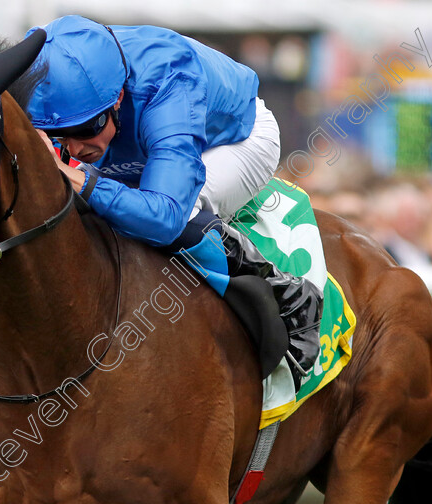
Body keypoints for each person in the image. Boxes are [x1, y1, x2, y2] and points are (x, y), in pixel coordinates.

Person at [25, 15, 321, 389]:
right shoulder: (48, 82)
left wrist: (83, 180)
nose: (73, 149)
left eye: (86, 130)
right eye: (55, 136)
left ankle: (290, 296)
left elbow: (165, 215)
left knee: (176, 215)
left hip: (233, 140)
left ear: (116, 98)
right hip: (143, 145)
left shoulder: (167, 79)